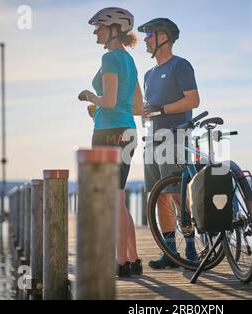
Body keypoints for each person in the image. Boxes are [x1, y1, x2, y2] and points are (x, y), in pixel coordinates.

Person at [78, 7, 143, 277]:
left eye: (99, 27)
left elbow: (110, 100)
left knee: (112, 199)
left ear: (114, 29)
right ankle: (132, 259)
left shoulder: (110, 59)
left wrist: (90, 97)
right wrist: (104, 106)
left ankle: (119, 262)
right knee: (118, 199)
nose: (95, 32)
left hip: (108, 132)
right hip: (127, 130)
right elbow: (138, 107)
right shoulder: (130, 61)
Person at [137, 18, 201, 269]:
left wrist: (161, 109)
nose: (145, 39)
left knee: (175, 194)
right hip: (152, 140)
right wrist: (146, 112)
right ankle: (170, 253)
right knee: (157, 196)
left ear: (164, 37)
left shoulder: (180, 66)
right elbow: (150, 109)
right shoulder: (148, 74)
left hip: (175, 138)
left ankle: (191, 249)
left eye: (149, 34)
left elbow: (193, 100)